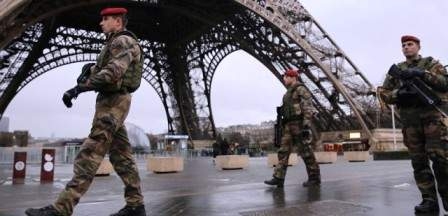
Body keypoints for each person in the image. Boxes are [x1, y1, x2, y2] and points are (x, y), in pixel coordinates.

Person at [25, 7, 146, 216]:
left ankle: (61, 209)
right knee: (122, 157)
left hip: (113, 104)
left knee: (89, 154)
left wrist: (80, 87)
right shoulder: (115, 43)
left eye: (106, 19)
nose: (101, 23)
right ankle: (136, 205)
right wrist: (92, 69)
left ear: (118, 22)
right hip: (113, 103)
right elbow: (110, 70)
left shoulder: (121, 41)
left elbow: (114, 72)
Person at [378, 35, 448, 214]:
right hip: (410, 123)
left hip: (432, 120)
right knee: (419, 163)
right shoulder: (398, 70)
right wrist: (399, 94)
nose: (406, 47)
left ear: (418, 46)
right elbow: (384, 94)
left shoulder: (431, 65)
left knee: (441, 161)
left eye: (410, 44)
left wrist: (421, 74)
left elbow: (444, 84)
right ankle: (429, 200)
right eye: (404, 45)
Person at [264, 69, 321, 188]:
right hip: (289, 125)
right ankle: (278, 177)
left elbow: (308, 107)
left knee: (305, 151)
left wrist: (306, 125)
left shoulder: (300, 89)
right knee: (283, 151)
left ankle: (314, 177)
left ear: (292, 77)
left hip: (299, 124)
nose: (284, 79)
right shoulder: (288, 92)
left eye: (285, 76)